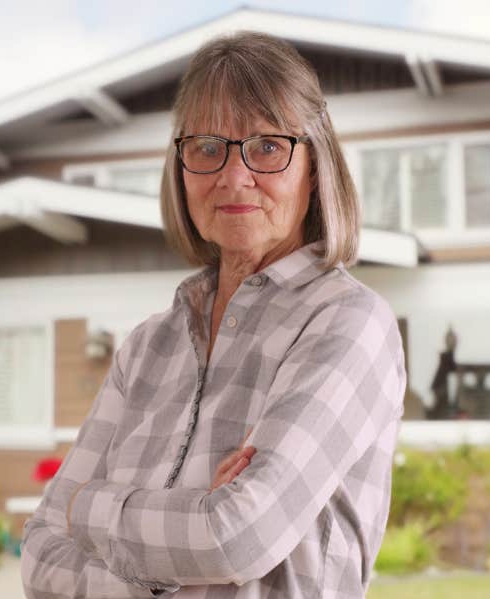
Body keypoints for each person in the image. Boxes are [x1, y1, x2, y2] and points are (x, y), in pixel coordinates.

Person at [20, 31, 406, 598]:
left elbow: (235, 538)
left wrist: (87, 506)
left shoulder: (348, 323)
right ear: (180, 167)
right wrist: (191, 520)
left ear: (316, 167)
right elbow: (39, 559)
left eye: (267, 147)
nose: (233, 176)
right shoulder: (146, 347)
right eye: (206, 147)